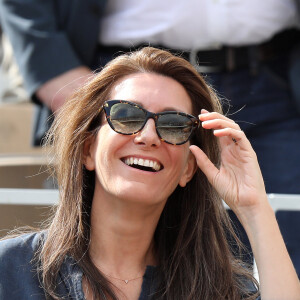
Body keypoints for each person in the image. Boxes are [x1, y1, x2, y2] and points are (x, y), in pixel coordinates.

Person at [0, 47, 299, 300]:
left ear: (188, 169)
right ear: (87, 149)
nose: (148, 136)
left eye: (173, 124)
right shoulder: (9, 269)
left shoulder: (219, 288)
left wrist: (253, 207)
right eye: (127, 115)